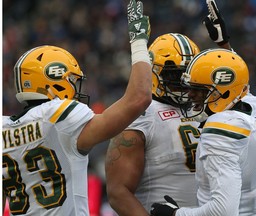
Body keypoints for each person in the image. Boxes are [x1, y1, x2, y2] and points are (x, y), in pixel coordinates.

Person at [2, 0, 152, 215]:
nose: (74, 87)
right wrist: (138, 40)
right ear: (52, 79)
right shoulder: (58, 116)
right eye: (71, 80)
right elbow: (139, 98)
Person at [104, 0, 233, 215]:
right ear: (154, 72)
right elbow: (118, 192)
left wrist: (225, 47)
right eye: (174, 76)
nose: (182, 83)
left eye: (187, 75)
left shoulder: (206, 106)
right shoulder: (142, 116)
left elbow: (238, 91)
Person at [150, 48, 256, 216]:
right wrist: (225, 44)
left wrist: (175, 214)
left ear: (223, 92)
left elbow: (223, 211)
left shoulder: (221, 130)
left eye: (200, 90)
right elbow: (238, 80)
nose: (191, 94)